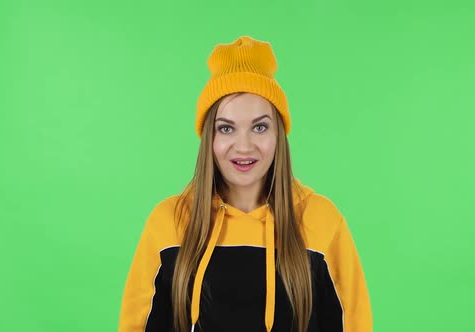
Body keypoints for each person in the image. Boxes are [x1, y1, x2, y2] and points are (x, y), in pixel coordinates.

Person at [118, 35, 373, 332]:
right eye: (226, 128)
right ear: (209, 139)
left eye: (260, 127)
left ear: (278, 134)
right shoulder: (169, 223)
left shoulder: (322, 220)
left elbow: (353, 324)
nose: (243, 146)